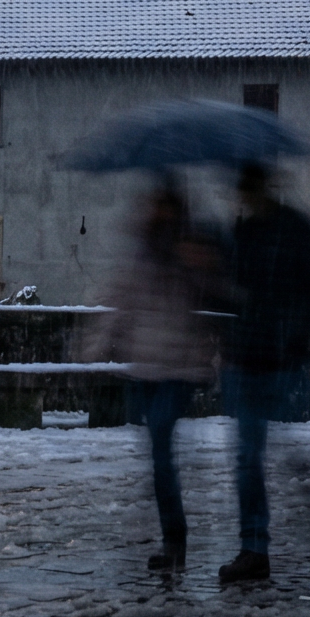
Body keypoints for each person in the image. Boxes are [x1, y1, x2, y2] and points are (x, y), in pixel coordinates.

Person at [87, 178, 222, 572]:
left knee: (161, 449)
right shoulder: (144, 255)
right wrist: (98, 341)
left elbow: (212, 299)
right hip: (146, 367)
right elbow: (122, 299)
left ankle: (174, 537)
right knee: (157, 453)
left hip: (178, 368)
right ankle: (171, 534)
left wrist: (197, 268)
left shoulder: (192, 252)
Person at [219, 163, 310, 585]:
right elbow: (229, 289)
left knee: (275, 447)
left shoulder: (293, 231)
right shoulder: (244, 235)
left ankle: (293, 513)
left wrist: (296, 333)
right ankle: (254, 547)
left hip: (281, 356)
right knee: (250, 457)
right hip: (250, 356)